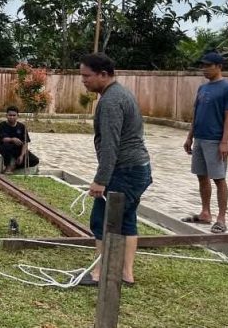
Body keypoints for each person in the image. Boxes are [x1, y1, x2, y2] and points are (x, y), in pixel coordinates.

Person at [78, 53, 152, 287]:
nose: (83, 80)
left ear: (103, 74)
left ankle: (99, 273)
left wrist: (101, 180)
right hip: (138, 168)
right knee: (127, 219)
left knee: (101, 220)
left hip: (125, 171)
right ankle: (125, 275)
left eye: (87, 76)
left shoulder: (111, 101)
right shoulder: (120, 94)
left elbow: (111, 145)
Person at [181, 51, 228, 234]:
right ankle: (205, 213)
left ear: (219, 66)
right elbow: (196, 114)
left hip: (215, 140)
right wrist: (190, 136)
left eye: (208, 66)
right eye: (203, 65)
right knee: (201, 176)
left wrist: (224, 142)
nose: (204, 69)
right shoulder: (202, 88)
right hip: (200, 138)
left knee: (219, 179)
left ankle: (221, 219)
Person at [0, 105, 40, 173]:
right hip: (6, 147)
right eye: (10, 115)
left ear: (17, 116)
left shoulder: (22, 126)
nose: (12, 117)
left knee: (35, 160)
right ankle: (8, 167)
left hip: (18, 149)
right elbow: (3, 139)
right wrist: (12, 139)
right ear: (6, 115)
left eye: (14, 115)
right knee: (6, 147)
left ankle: (14, 166)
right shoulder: (2, 125)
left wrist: (22, 155)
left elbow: (25, 142)